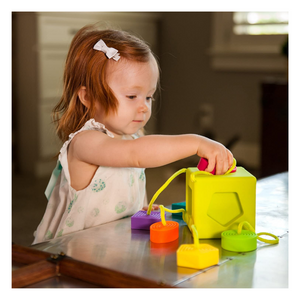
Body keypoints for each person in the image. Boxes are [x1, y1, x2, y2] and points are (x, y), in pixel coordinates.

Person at [32, 25, 233, 244]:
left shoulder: (132, 139)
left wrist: (141, 209)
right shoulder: (85, 142)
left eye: (148, 97)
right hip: (71, 253)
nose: (144, 107)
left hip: (114, 246)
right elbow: (136, 154)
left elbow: (129, 181)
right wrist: (196, 143)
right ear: (88, 97)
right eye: (131, 96)